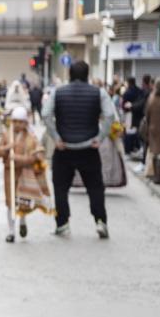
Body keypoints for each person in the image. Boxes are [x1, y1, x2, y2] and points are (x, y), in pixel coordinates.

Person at [42, 60, 115, 238]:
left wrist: (56, 137)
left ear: (69, 74)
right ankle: (100, 221)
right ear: (87, 74)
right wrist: (100, 137)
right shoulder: (99, 93)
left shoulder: (58, 93)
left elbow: (46, 114)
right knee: (95, 187)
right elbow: (110, 114)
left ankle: (63, 223)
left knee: (60, 187)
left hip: (64, 148)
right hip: (89, 147)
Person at [0, 107, 52, 243]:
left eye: (21, 122)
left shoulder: (31, 138)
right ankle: (11, 230)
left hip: (24, 174)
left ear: (26, 123)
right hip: (10, 173)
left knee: (22, 200)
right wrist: (6, 148)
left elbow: (36, 157)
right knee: (10, 202)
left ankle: (22, 221)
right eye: (15, 122)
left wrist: (20, 159)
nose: (18, 125)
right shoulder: (6, 136)